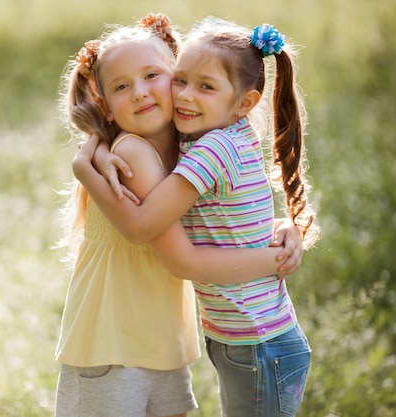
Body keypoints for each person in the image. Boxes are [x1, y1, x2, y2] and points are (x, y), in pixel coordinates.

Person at [56, 14, 304, 417]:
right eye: (121, 86)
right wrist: (85, 166)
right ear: (105, 103)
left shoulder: (194, 147)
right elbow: (145, 232)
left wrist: (280, 226)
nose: (139, 93)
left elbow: (223, 218)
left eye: (154, 75)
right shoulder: (136, 152)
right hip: (112, 338)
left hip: (159, 339)